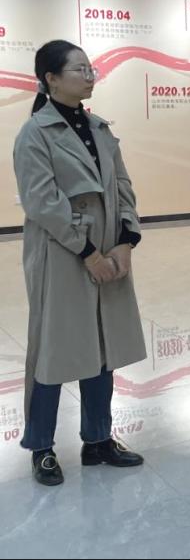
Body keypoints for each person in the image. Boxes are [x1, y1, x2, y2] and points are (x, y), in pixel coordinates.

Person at [13, 40, 147, 486]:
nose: (89, 76)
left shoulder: (100, 128)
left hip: (109, 250)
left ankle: (98, 440)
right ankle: (41, 448)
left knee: (103, 347)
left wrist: (125, 241)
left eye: (91, 69)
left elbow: (123, 186)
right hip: (62, 256)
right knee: (53, 351)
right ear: (51, 79)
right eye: (79, 69)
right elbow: (42, 203)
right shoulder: (35, 134)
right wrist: (88, 252)